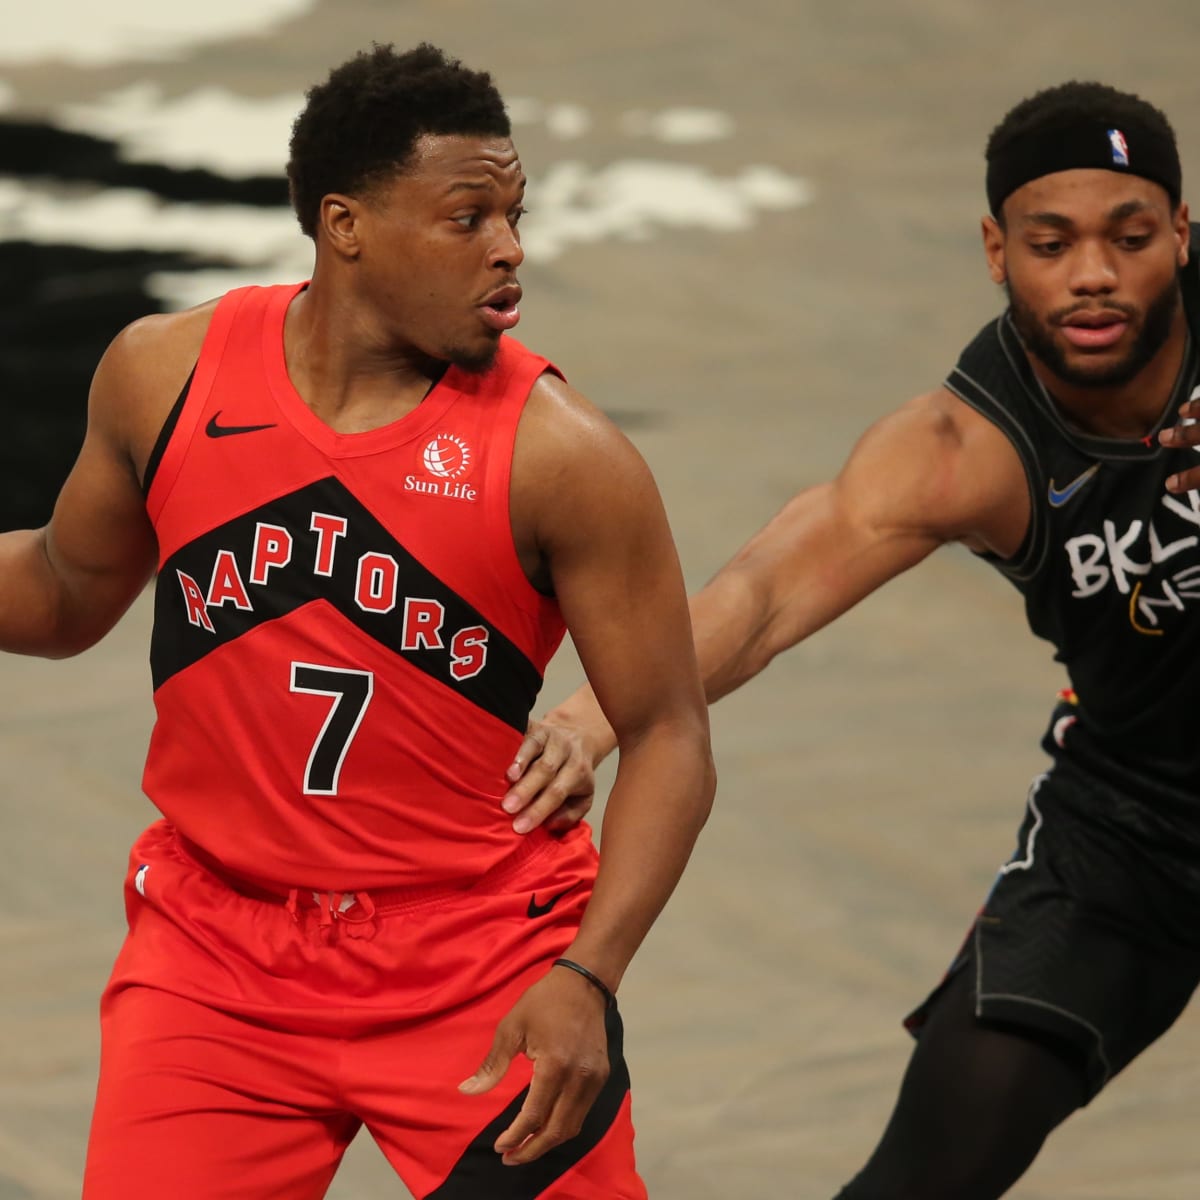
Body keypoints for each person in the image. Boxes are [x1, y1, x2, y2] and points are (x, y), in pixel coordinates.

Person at [0, 43, 715, 1199]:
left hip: (475, 962)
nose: (509, 249)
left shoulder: (563, 458)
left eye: (515, 215)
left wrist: (589, 976)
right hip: (214, 962)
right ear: (346, 226)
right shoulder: (165, 376)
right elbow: (61, 589)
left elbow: (670, 733)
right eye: (468, 218)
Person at [508, 80, 1200, 1198]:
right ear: (996, 251)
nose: (1094, 275)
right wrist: (592, 720)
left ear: (1181, 234)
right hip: (1136, 820)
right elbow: (767, 592)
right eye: (1051, 243)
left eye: (1130, 239)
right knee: (932, 1157)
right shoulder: (967, 447)